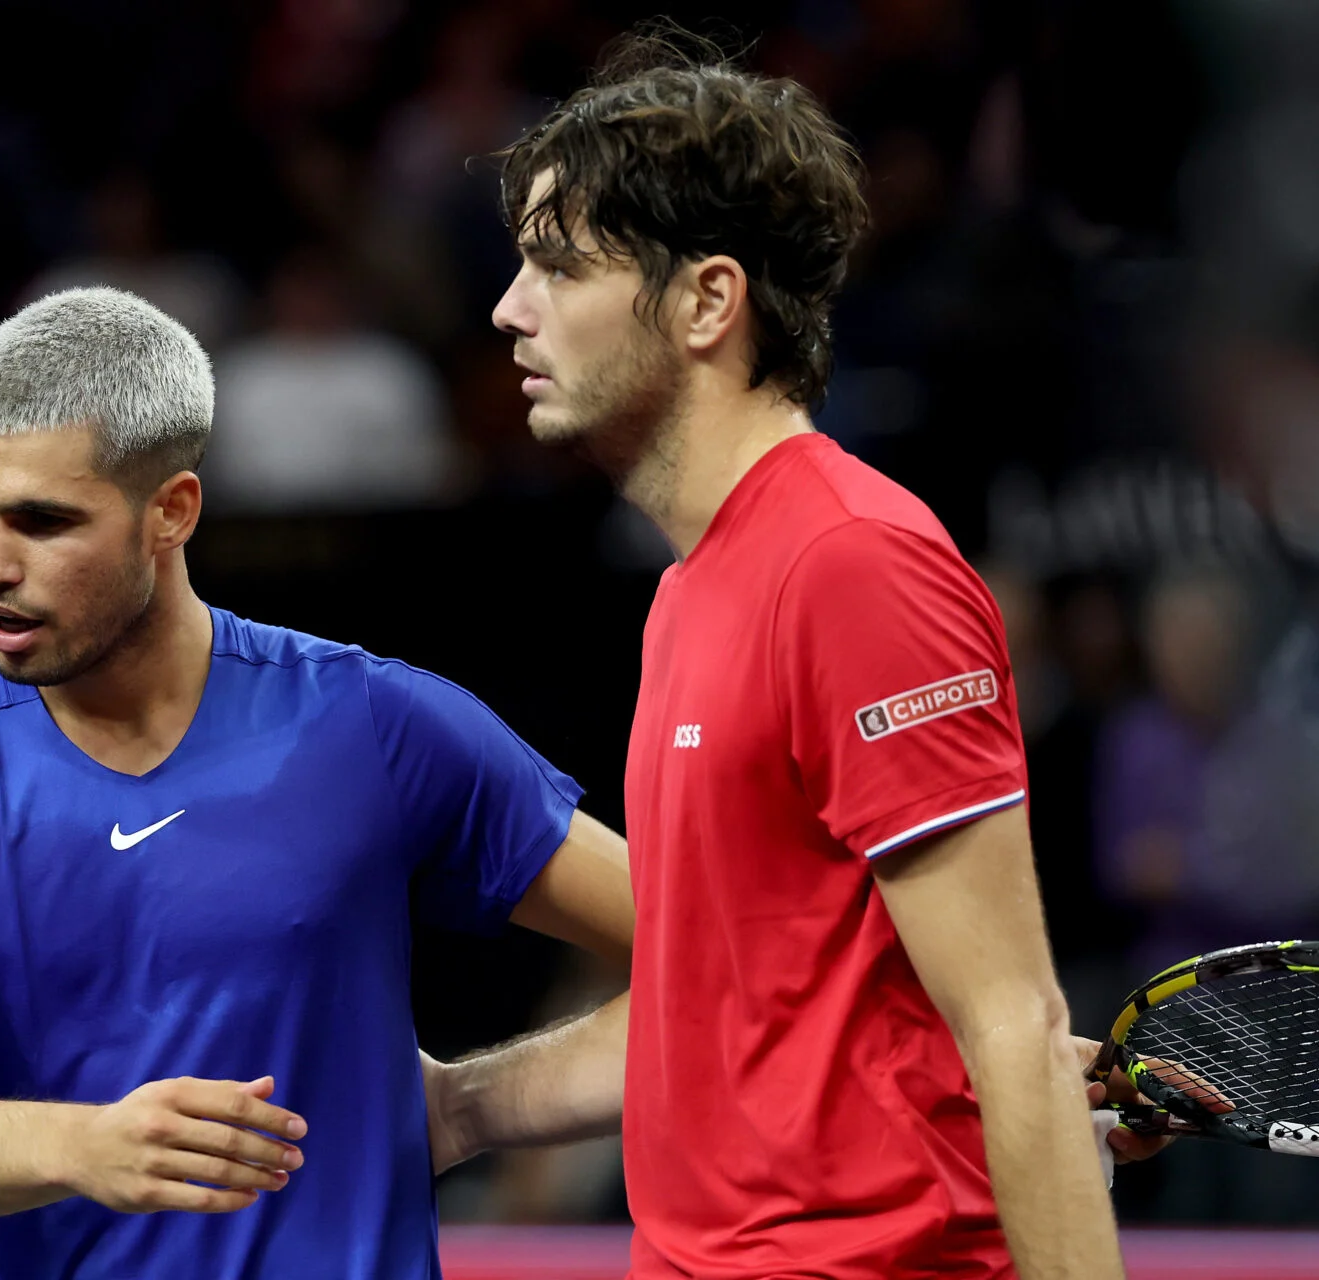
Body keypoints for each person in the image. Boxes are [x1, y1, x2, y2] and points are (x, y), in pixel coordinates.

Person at [418, 33, 1165, 1279]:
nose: (509, 306)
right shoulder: (688, 592)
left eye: (557, 263)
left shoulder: (856, 564)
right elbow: (730, 1009)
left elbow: (1018, 1026)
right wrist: (459, 1106)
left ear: (710, 300)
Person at [0, 286, 632, 1279]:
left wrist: (470, 1104)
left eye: (43, 520)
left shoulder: (374, 722)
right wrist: (84, 1146)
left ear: (171, 512)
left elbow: (725, 957)